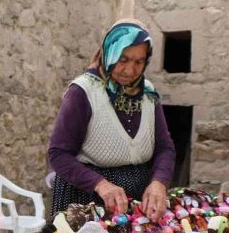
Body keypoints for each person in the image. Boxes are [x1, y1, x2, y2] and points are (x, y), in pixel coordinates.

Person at [48, 19, 176, 222]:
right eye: (122, 59)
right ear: (109, 53)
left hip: (136, 202)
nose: (130, 70)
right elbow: (59, 154)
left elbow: (164, 148)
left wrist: (159, 181)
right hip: (86, 200)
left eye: (139, 61)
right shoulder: (83, 92)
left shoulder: (148, 94)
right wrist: (101, 184)